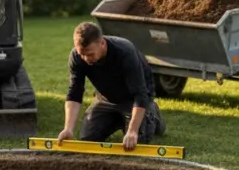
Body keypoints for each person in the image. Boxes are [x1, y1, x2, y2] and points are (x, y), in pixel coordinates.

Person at [58, 22, 166, 150]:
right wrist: (68, 128)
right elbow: (75, 92)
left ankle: (152, 113)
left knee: (138, 141)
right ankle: (119, 118)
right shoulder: (76, 57)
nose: (85, 59)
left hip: (134, 99)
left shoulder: (125, 52)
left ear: (102, 43)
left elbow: (140, 93)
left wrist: (132, 131)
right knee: (87, 140)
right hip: (105, 99)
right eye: (82, 54)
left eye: (90, 54)